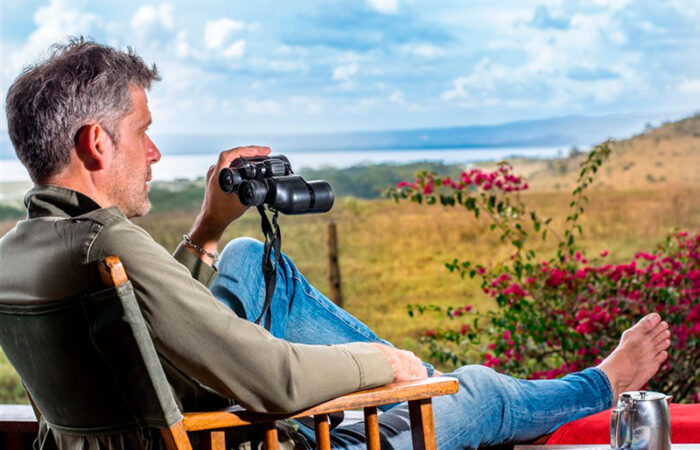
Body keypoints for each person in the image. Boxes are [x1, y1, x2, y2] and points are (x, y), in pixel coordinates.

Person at [0, 38, 671, 450]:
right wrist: (385, 364)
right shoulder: (111, 241)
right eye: (141, 131)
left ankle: (415, 376)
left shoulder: (19, 254)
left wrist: (207, 230)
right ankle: (603, 383)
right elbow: (277, 381)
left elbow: (138, 335)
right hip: (254, 437)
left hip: (177, 411)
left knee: (245, 258)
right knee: (478, 392)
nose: (154, 151)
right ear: (96, 142)